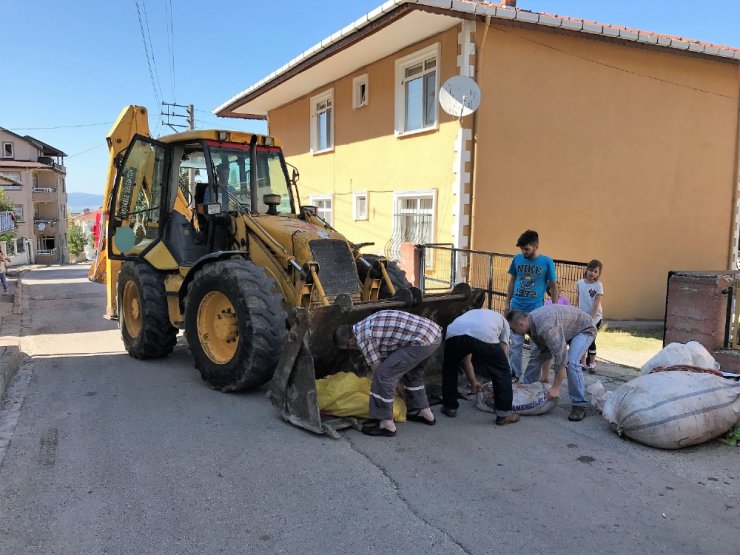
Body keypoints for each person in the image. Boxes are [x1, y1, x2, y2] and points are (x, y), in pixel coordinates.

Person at [334, 310, 442, 437]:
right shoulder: (365, 323)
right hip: (433, 335)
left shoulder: (363, 338)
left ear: (351, 341)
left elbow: (378, 369)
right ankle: (425, 413)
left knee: (382, 376)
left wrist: (395, 388)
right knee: (412, 373)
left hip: (421, 342)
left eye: (348, 348)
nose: (352, 350)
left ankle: (386, 424)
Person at [506, 305, 597, 421]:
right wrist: (544, 378)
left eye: (513, 329)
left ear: (521, 324)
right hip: (568, 328)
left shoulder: (546, 327)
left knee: (572, 362)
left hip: (585, 329)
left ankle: (579, 405)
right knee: (536, 354)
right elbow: (545, 351)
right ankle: (526, 387)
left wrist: (555, 388)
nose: (513, 332)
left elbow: (561, 358)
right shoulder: (531, 324)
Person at [441, 309, 519, 425]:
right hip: (484, 333)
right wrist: (504, 376)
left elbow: (465, 359)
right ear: (511, 324)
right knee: (502, 371)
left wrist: (473, 382)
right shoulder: (504, 323)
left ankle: (449, 407)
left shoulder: (474, 315)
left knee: (450, 368)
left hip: (454, 333)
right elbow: (504, 353)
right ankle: (504, 414)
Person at [505, 230, 558, 382]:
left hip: (536, 310)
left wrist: (554, 307)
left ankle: (531, 380)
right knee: (515, 344)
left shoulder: (547, 262)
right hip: (516, 307)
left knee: (536, 347)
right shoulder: (517, 259)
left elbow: (553, 286)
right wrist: (507, 302)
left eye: (526, 249)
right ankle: (515, 374)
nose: (523, 252)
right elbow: (512, 281)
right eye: (521, 249)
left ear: (536, 246)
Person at [577, 260, 604, 373]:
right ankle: (582, 363)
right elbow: (579, 299)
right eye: (590, 270)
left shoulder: (598, 286)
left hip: (595, 318)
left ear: (598, 274)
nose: (592, 273)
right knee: (582, 340)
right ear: (586, 269)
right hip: (583, 317)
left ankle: (592, 363)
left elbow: (597, 303)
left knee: (591, 340)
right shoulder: (579, 283)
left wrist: (591, 318)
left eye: (595, 271)